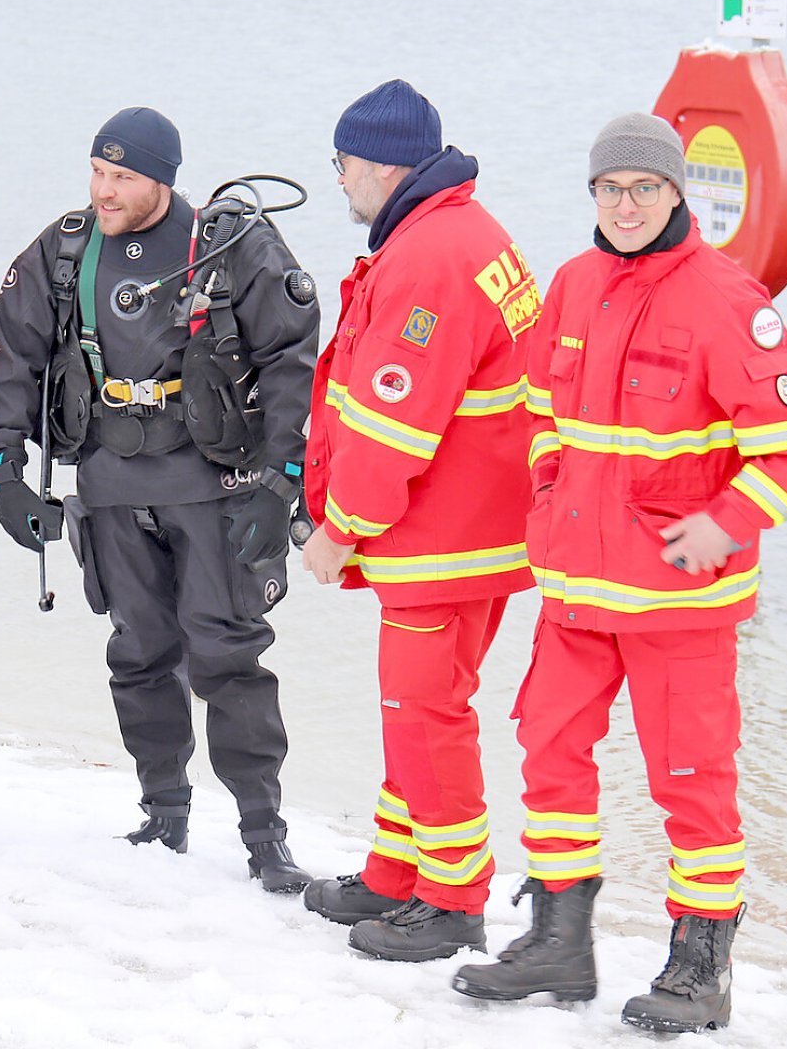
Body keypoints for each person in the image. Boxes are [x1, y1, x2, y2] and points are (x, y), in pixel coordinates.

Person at [450, 113, 787, 1033]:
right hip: (575, 595)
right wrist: (546, 487)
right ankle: (558, 944)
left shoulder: (728, 301)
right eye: (609, 189)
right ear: (592, 197)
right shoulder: (574, 287)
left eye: (644, 189)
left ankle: (700, 967)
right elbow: (540, 409)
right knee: (549, 757)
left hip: (678, 606)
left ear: (676, 195)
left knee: (692, 782)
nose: (625, 206)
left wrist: (725, 525)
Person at [0, 107, 319, 892]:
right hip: (107, 484)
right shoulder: (65, 249)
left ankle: (264, 834)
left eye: (122, 177)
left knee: (228, 656)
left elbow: (293, 361)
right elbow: (14, 348)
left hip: (209, 484)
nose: (103, 190)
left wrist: (282, 480)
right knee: (138, 654)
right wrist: (5, 467)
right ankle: (163, 812)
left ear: (162, 178)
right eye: (97, 172)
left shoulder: (230, 247)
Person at [299, 80, 539, 961]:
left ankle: (452, 896)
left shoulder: (428, 258)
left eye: (341, 165)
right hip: (482, 527)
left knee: (424, 710)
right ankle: (397, 871)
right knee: (422, 706)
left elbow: (393, 421)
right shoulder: (468, 232)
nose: (340, 184)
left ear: (377, 162)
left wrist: (342, 527)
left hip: (444, 536)